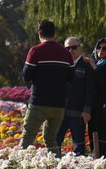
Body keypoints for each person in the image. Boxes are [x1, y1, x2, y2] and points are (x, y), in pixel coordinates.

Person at [20, 20, 73, 155]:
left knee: (27, 139)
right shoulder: (65, 53)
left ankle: (15, 167)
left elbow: (26, 76)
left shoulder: (35, 51)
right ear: (54, 33)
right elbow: (71, 78)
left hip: (39, 103)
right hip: (59, 104)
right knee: (51, 139)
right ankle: (58, 167)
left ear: (39, 34)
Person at [57, 37, 94, 156]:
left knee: (79, 146)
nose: (70, 50)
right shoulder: (61, 65)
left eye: (74, 47)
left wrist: (86, 110)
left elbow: (90, 90)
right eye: (67, 48)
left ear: (80, 48)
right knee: (55, 143)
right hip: (60, 113)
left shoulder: (86, 66)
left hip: (78, 114)